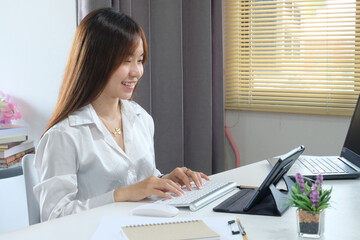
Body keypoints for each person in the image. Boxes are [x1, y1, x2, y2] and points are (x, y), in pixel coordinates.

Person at [34, 8, 209, 222]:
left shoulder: (140, 118)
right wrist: (120, 195)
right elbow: (54, 216)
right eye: (126, 60)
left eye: (140, 60)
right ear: (95, 61)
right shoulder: (64, 135)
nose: (136, 71)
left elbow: (140, 179)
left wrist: (164, 181)